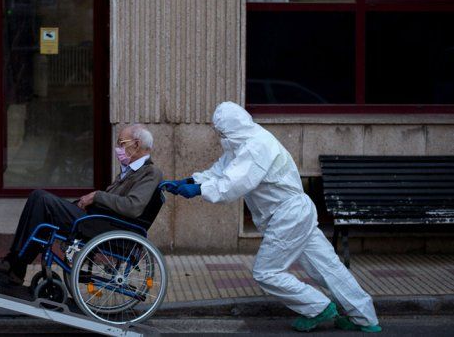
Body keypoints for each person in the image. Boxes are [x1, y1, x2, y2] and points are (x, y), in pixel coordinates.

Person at [160, 102, 380, 333]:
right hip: (295, 213)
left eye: (222, 132)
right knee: (328, 267)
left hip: (289, 216)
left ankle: (317, 307)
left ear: (232, 129)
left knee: (266, 272)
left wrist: (199, 190)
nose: (220, 137)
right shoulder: (243, 142)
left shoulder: (256, 146)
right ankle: (365, 318)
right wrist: (191, 181)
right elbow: (221, 171)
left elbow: (233, 183)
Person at [0, 124, 163, 286]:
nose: (118, 148)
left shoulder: (150, 173)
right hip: (98, 220)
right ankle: (15, 264)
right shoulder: (130, 171)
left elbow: (133, 206)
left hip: (107, 227)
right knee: (39, 203)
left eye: (121, 143)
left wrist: (97, 196)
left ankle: (14, 266)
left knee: (40, 198)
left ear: (136, 145)